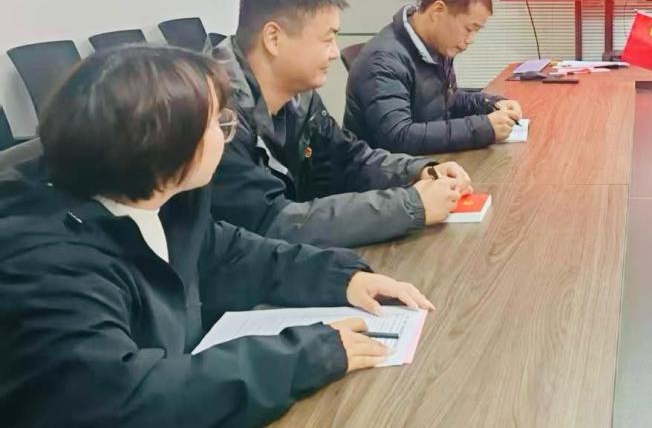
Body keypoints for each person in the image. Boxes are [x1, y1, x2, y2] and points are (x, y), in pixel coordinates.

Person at [0, 46, 434, 427]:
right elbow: (124, 400)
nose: (226, 136)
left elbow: (230, 254)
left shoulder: (164, 202)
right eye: (216, 123)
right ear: (161, 145)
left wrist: (342, 278)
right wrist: (306, 355)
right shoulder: (46, 263)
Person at [211, 0, 472, 249]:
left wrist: (418, 170)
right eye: (327, 39)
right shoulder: (216, 116)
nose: (335, 52)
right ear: (274, 38)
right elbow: (271, 223)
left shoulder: (299, 97)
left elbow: (347, 159)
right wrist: (410, 205)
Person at [344, 0, 523, 155]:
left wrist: (490, 104)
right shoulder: (383, 60)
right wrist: (484, 128)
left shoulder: (434, 46)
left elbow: (445, 101)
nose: (471, 40)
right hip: (390, 170)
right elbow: (398, 137)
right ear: (438, 11)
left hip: (427, 161)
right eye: (469, 29)